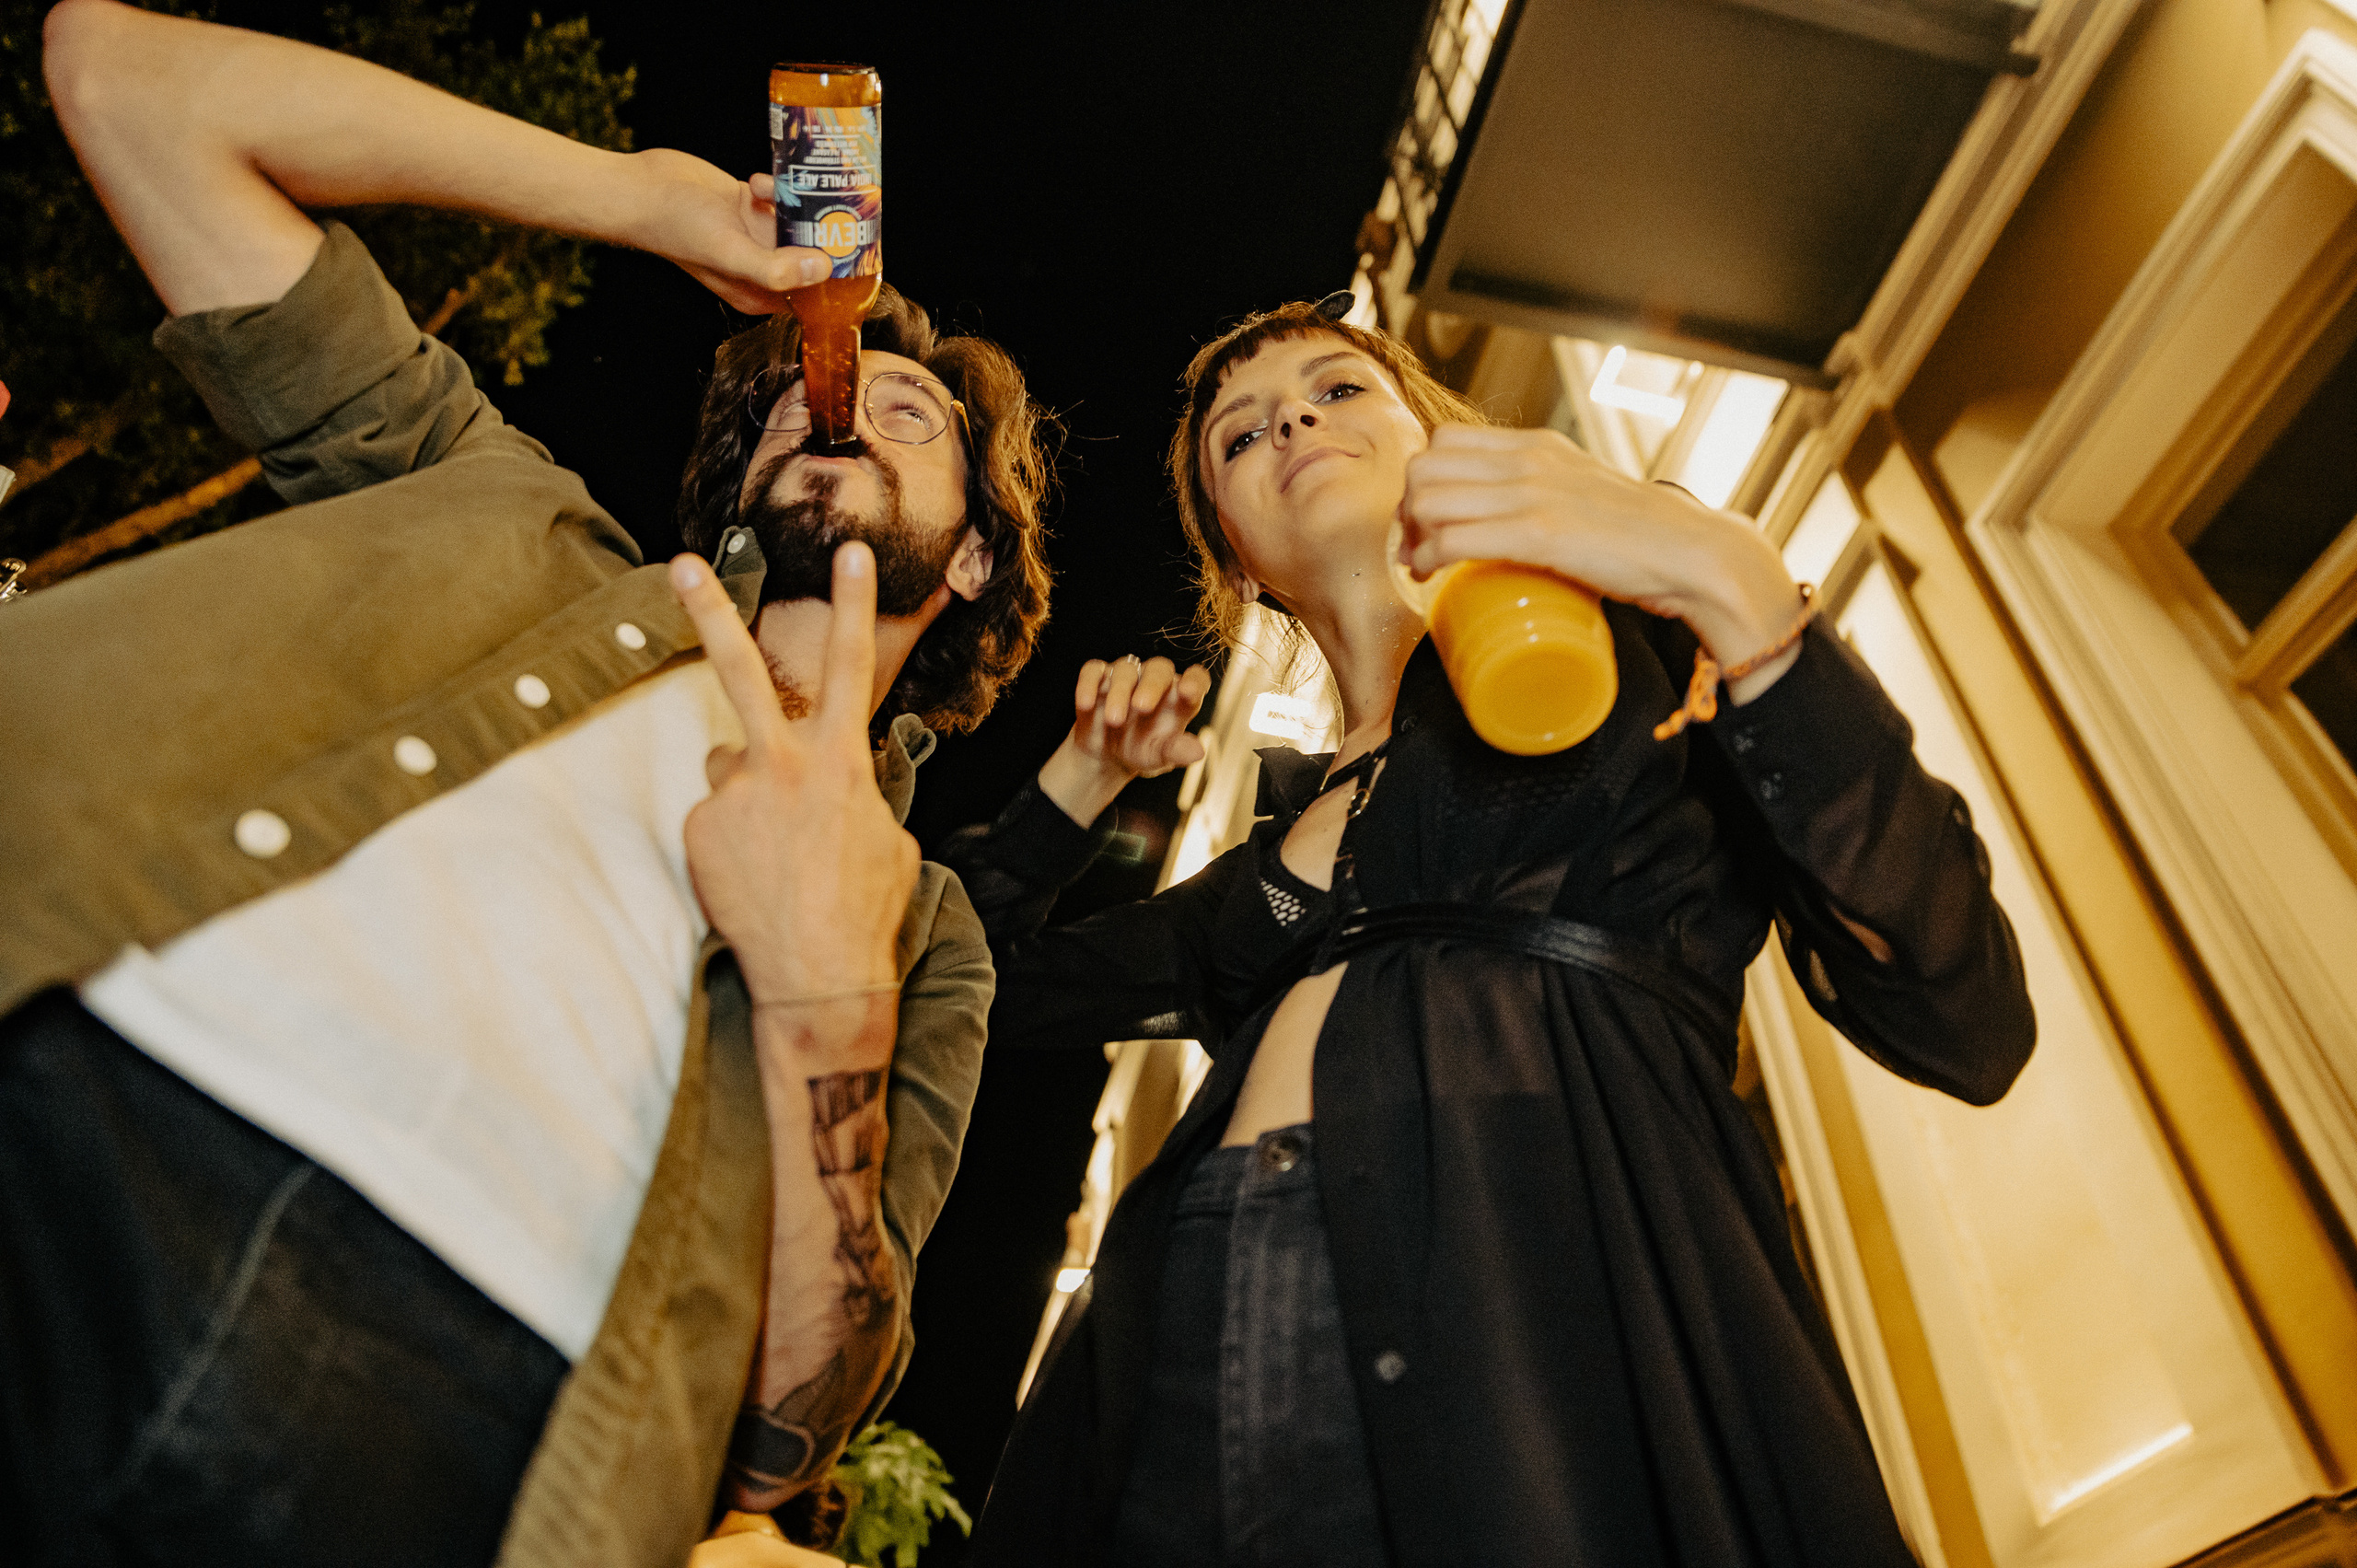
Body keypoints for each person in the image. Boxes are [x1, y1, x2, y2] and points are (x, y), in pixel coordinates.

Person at [1, 3, 1051, 1563]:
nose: (843, 402)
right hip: (78, 1075)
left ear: (973, 552)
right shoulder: (497, 503)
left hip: (452, 1404)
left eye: (922, 414)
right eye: (815, 395)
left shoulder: (930, 936)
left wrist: (832, 992)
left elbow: (797, 1415)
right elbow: (122, 80)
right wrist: (643, 199)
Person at [938, 296, 2036, 1566]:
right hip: (1189, 1322)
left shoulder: (1643, 649)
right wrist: (1076, 786)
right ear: (1236, 560)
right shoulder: (1258, 872)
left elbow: (1966, 1016)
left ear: (1433, 429)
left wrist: (1727, 581)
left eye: (1338, 389)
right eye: (1239, 436)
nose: (1291, 417)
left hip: (1547, 1320)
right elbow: (965, 981)